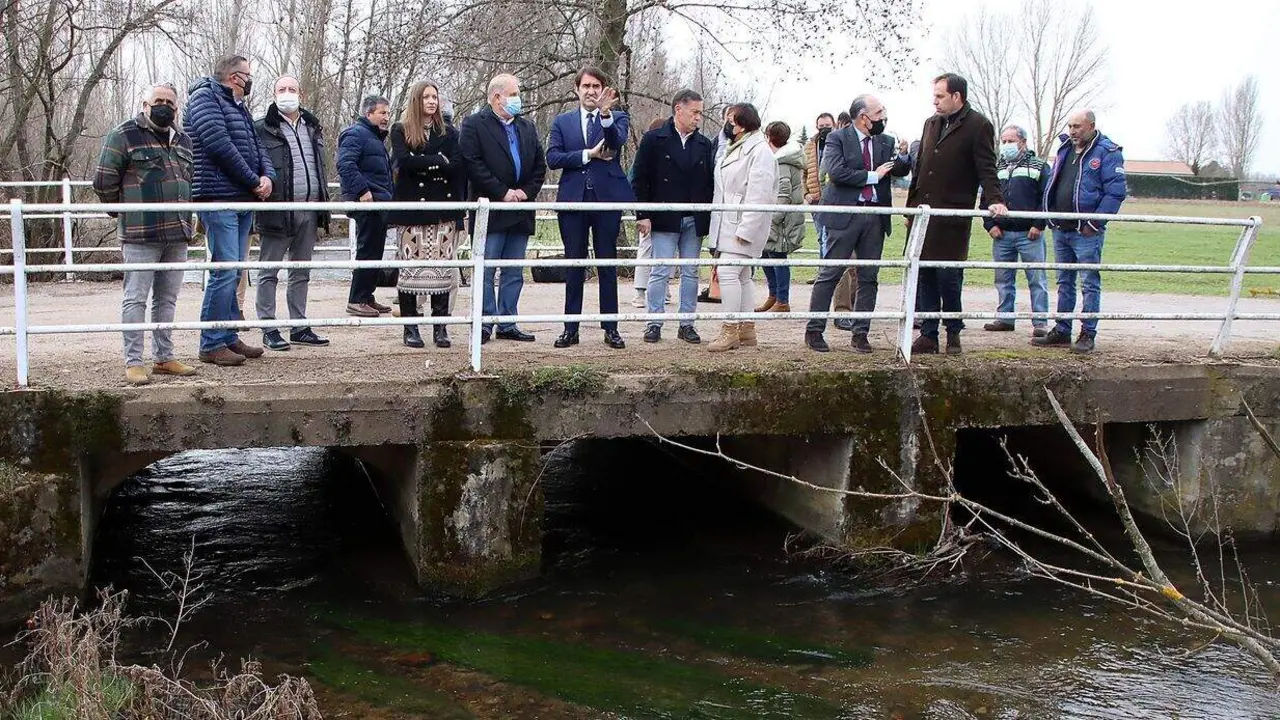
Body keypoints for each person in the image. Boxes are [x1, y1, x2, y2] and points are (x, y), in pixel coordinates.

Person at [92, 83, 199, 385]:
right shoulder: (124, 135)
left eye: (170, 102)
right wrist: (124, 211)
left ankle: (164, 357)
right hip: (141, 234)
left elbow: (187, 182)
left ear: (177, 108)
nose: (164, 106)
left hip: (177, 232)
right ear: (144, 104)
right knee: (135, 298)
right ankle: (134, 361)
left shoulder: (183, 140)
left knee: (167, 299)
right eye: (158, 101)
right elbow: (103, 181)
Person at [906, 73, 1007, 355]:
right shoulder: (930, 123)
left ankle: (953, 332)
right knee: (923, 274)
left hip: (952, 216)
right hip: (923, 214)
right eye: (934, 96)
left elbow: (987, 168)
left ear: (957, 97)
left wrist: (995, 199)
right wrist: (911, 208)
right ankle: (928, 334)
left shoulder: (978, 126)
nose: (934, 101)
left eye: (940, 96)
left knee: (948, 277)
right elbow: (921, 167)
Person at [186, 55, 274, 366]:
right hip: (218, 196)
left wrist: (268, 177)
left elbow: (256, 146)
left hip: (241, 198)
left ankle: (226, 335)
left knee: (235, 272)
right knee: (224, 271)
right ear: (235, 77)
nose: (251, 80)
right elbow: (218, 146)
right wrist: (253, 181)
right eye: (248, 74)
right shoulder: (204, 99)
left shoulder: (238, 106)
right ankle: (210, 342)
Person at [805, 94, 910, 354]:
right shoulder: (837, 138)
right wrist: (874, 176)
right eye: (879, 113)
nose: (883, 117)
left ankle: (860, 332)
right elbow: (837, 173)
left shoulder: (886, 141)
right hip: (844, 215)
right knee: (830, 273)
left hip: (875, 217)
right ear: (864, 117)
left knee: (869, 278)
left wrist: (905, 157)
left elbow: (898, 170)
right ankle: (814, 330)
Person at [547, 67, 633, 350]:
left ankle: (611, 328)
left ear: (603, 90)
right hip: (573, 201)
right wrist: (587, 155)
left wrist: (606, 116)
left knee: (607, 265)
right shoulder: (563, 121)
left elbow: (616, 142)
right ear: (577, 89)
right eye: (586, 86)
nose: (591, 91)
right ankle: (570, 329)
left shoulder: (617, 117)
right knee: (575, 265)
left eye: (596, 86)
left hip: (606, 200)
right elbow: (553, 158)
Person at [458, 73, 547, 343]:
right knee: (486, 268)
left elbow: (539, 167)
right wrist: (502, 192)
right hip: (491, 210)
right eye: (514, 94)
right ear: (497, 97)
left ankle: (508, 322)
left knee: (513, 269)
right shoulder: (474, 124)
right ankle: (485, 321)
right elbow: (472, 163)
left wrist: (524, 193)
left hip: (520, 209)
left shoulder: (528, 127)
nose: (518, 99)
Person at [1032, 109, 1127, 354]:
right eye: (1070, 126)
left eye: (1078, 126)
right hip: (1061, 228)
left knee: (1089, 282)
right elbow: (1053, 183)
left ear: (1091, 126)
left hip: (1086, 232)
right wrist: (1050, 214)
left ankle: (1088, 333)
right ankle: (1062, 330)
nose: (1073, 131)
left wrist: (1094, 224)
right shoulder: (1064, 149)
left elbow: (1115, 192)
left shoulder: (1107, 152)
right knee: (1064, 281)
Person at [631, 89, 716, 345]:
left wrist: (707, 215)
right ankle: (654, 322)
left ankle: (687, 323)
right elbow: (640, 178)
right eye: (695, 112)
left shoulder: (704, 144)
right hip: (664, 216)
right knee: (660, 271)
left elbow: (710, 183)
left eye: (701, 113)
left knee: (690, 271)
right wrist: (643, 213)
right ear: (679, 109)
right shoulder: (654, 139)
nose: (698, 118)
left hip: (693, 217)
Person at [253, 75, 331, 351]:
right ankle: (269, 327)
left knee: (301, 271)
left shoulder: (312, 127)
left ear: (302, 93)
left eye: (292, 89)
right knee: (268, 271)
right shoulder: (262, 128)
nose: (287, 94)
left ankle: (299, 325)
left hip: (309, 210)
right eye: (282, 89)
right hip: (277, 211)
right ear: (273, 94)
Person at [388, 80, 467, 349]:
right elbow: (405, 161)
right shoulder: (399, 130)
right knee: (409, 270)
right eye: (426, 97)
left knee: (442, 271)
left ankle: (440, 327)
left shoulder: (449, 133)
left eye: (435, 96)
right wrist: (437, 162)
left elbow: (456, 167)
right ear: (416, 101)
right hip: (411, 211)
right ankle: (410, 327)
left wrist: (425, 162)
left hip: (442, 211)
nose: (432, 102)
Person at [706, 102, 776, 352]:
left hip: (741, 225)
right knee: (742, 275)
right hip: (729, 221)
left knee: (726, 273)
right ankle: (746, 329)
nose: (727, 123)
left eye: (731, 119)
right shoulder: (738, 147)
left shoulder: (759, 151)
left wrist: (746, 231)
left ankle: (730, 328)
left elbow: (759, 195)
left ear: (742, 123)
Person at [982, 124, 1051, 338]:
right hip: (1001, 234)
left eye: (1010, 141)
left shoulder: (1039, 166)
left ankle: (1040, 322)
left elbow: (1046, 198)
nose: (1006, 146)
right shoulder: (996, 167)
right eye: (1003, 142)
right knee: (1003, 279)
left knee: (1036, 278)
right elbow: (985, 199)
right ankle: (1005, 317)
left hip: (1029, 234)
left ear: (1023, 142)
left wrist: (1038, 224)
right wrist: (990, 225)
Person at [338, 95, 395, 318]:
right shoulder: (356, 134)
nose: (386, 118)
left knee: (375, 250)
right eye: (382, 113)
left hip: (378, 202)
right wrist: (363, 191)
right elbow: (345, 164)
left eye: (388, 114)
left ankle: (367, 296)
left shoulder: (373, 137)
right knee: (367, 250)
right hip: (367, 203)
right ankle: (357, 299)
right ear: (368, 113)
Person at [758, 121, 805, 315]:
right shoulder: (779, 159)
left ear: (769, 136)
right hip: (776, 218)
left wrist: (772, 219)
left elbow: (783, 194)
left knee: (778, 256)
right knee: (767, 255)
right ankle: (774, 295)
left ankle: (782, 299)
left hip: (781, 220)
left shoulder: (783, 162)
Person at [629, 116, 669, 309]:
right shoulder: (647, 154)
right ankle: (640, 291)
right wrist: (641, 211)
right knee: (646, 248)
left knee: (665, 251)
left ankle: (664, 289)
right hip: (648, 207)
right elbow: (635, 180)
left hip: (662, 207)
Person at [803, 112, 836, 261]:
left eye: (827, 126)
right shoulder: (809, 146)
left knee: (830, 237)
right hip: (815, 199)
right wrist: (805, 193)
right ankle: (822, 271)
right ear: (816, 126)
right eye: (821, 126)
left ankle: (830, 273)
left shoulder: (839, 143)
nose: (824, 129)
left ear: (833, 125)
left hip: (834, 199)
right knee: (820, 237)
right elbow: (802, 172)